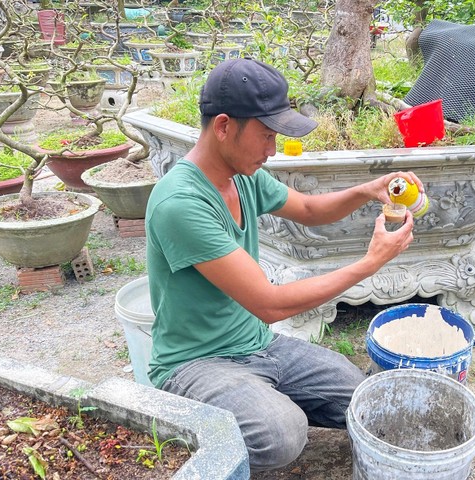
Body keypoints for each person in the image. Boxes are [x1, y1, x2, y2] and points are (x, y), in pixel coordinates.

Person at [144, 58, 421, 472]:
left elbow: (309, 208)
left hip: (259, 344)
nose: (272, 151)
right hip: (196, 362)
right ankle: (196, 433)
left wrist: (368, 189)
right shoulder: (180, 203)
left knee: (364, 397)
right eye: (267, 136)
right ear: (223, 126)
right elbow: (270, 304)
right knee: (282, 434)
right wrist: (370, 263)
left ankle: (254, 398)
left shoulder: (243, 173)